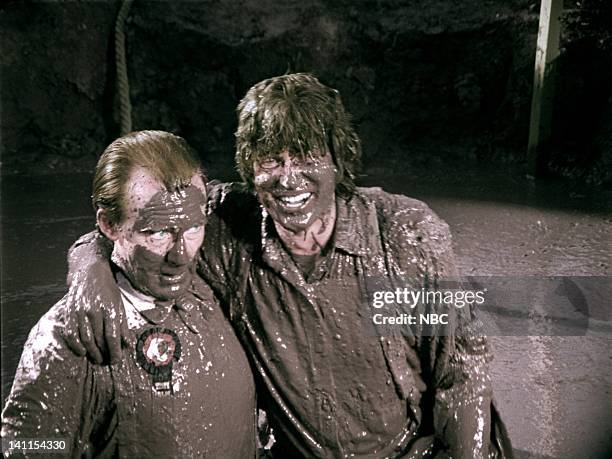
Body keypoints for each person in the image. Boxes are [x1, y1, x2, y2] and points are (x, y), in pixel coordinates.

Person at [62, 74, 512, 458]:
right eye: (272, 160)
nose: (288, 177)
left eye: (307, 157)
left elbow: (463, 370)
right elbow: (132, 223)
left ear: (338, 161)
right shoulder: (225, 230)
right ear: (250, 169)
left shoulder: (407, 232)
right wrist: (88, 268)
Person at [1, 131, 257, 458]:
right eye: (159, 233)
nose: (181, 255)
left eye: (193, 228)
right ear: (109, 225)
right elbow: (20, 447)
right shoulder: (68, 338)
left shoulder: (216, 282)